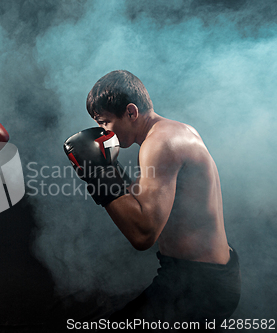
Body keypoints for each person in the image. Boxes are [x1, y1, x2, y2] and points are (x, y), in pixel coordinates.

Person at [64, 70, 241, 328]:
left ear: (131, 112)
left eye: (105, 122)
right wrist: (108, 169)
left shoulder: (161, 144)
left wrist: (97, 174)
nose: (104, 133)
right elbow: (140, 204)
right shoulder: (174, 131)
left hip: (199, 285)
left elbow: (143, 235)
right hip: (195, 275)